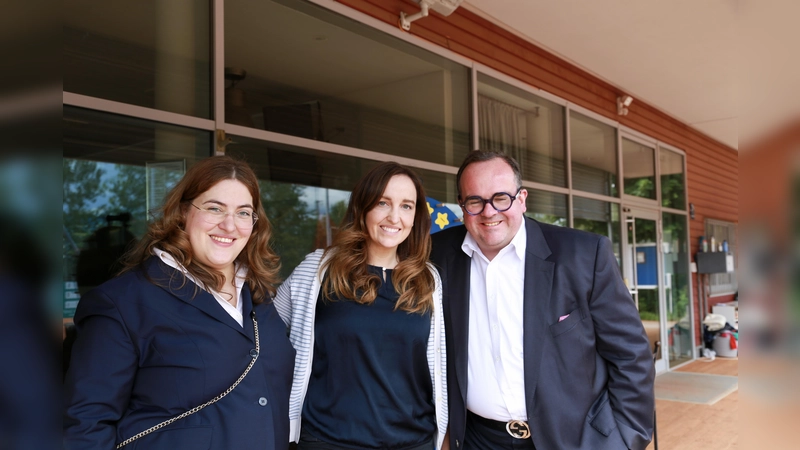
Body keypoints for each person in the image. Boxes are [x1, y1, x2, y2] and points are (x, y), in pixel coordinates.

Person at [63, 156, 295, 449]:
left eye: (243, 213)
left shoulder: (260, 297)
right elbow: (86, 425)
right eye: (214, 208)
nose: (229, 225)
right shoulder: (123, 302)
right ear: (183, 212)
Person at [430, 151, 654, 450]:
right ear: (462, 206)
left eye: (501, 198)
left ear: (522, 198)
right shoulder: (438, 255)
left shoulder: (583, 255)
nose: (489, 211)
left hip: (572, 441)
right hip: (477, 440)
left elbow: (631, 356)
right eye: (475, 201)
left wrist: (623, 438)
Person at [274, 161, 448, 450]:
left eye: (407, 206)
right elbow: (266, 335)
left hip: (411, 442)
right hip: (327, 440)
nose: (395, 217)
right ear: (363, 207)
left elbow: (440, 367)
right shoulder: (318, 270)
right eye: (383, 203)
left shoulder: (428, 280)